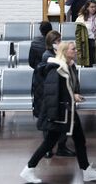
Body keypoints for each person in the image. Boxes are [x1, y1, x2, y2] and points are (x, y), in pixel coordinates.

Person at [21, 42, 96, 183]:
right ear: (65, 52)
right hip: (60, 113)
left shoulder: (68, 66)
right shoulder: (57, 69)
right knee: (49, 143)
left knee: (79, 139)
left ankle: (86, 170)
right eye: (73, 49)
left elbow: (64, 89)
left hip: (67, 111)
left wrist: (73, 95)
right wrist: (72, 97)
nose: (76, 51)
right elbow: (53, 93)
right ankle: (28, 169)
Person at [32, 30, 75, 159]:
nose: (60, 43)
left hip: (51, 93)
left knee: (57, 122)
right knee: (50, 123)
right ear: (51, 43)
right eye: (57, 41)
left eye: (60, 40)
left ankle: (57, 147)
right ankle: (50, 149)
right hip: (47, 93)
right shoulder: (49, 57)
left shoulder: (56, 55)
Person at [75, 0, 96, 67]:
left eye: (95, 7)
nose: (93, 9)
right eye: (91, 7)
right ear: (87, 7)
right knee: (88, 64)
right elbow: (78, 37)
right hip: (86, 43)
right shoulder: (81, 19)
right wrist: (79, 50)